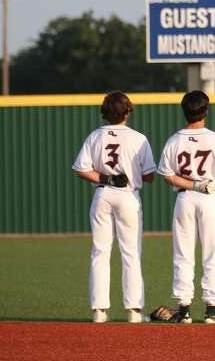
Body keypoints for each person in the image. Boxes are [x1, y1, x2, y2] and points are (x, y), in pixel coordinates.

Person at [72, 91, 156, 324]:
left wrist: (105, 178)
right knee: (131, 253)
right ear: (128, 111)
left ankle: (99, 310)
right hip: (128, 196)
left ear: (105, 112)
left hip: (102, 194)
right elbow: (149, 176)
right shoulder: (138, 138)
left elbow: (81, 169)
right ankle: (134, 311)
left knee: (100, 252)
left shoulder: (95, 136)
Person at [157, 90, 215, 324]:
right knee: (213, 252)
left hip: (185, 197)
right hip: (210, 198)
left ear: (184, 110)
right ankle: (212, 310)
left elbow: (167, 175)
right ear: (206, 110)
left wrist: (192, 183)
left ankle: (184, 310)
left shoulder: (174, 139)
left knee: (183, 252)